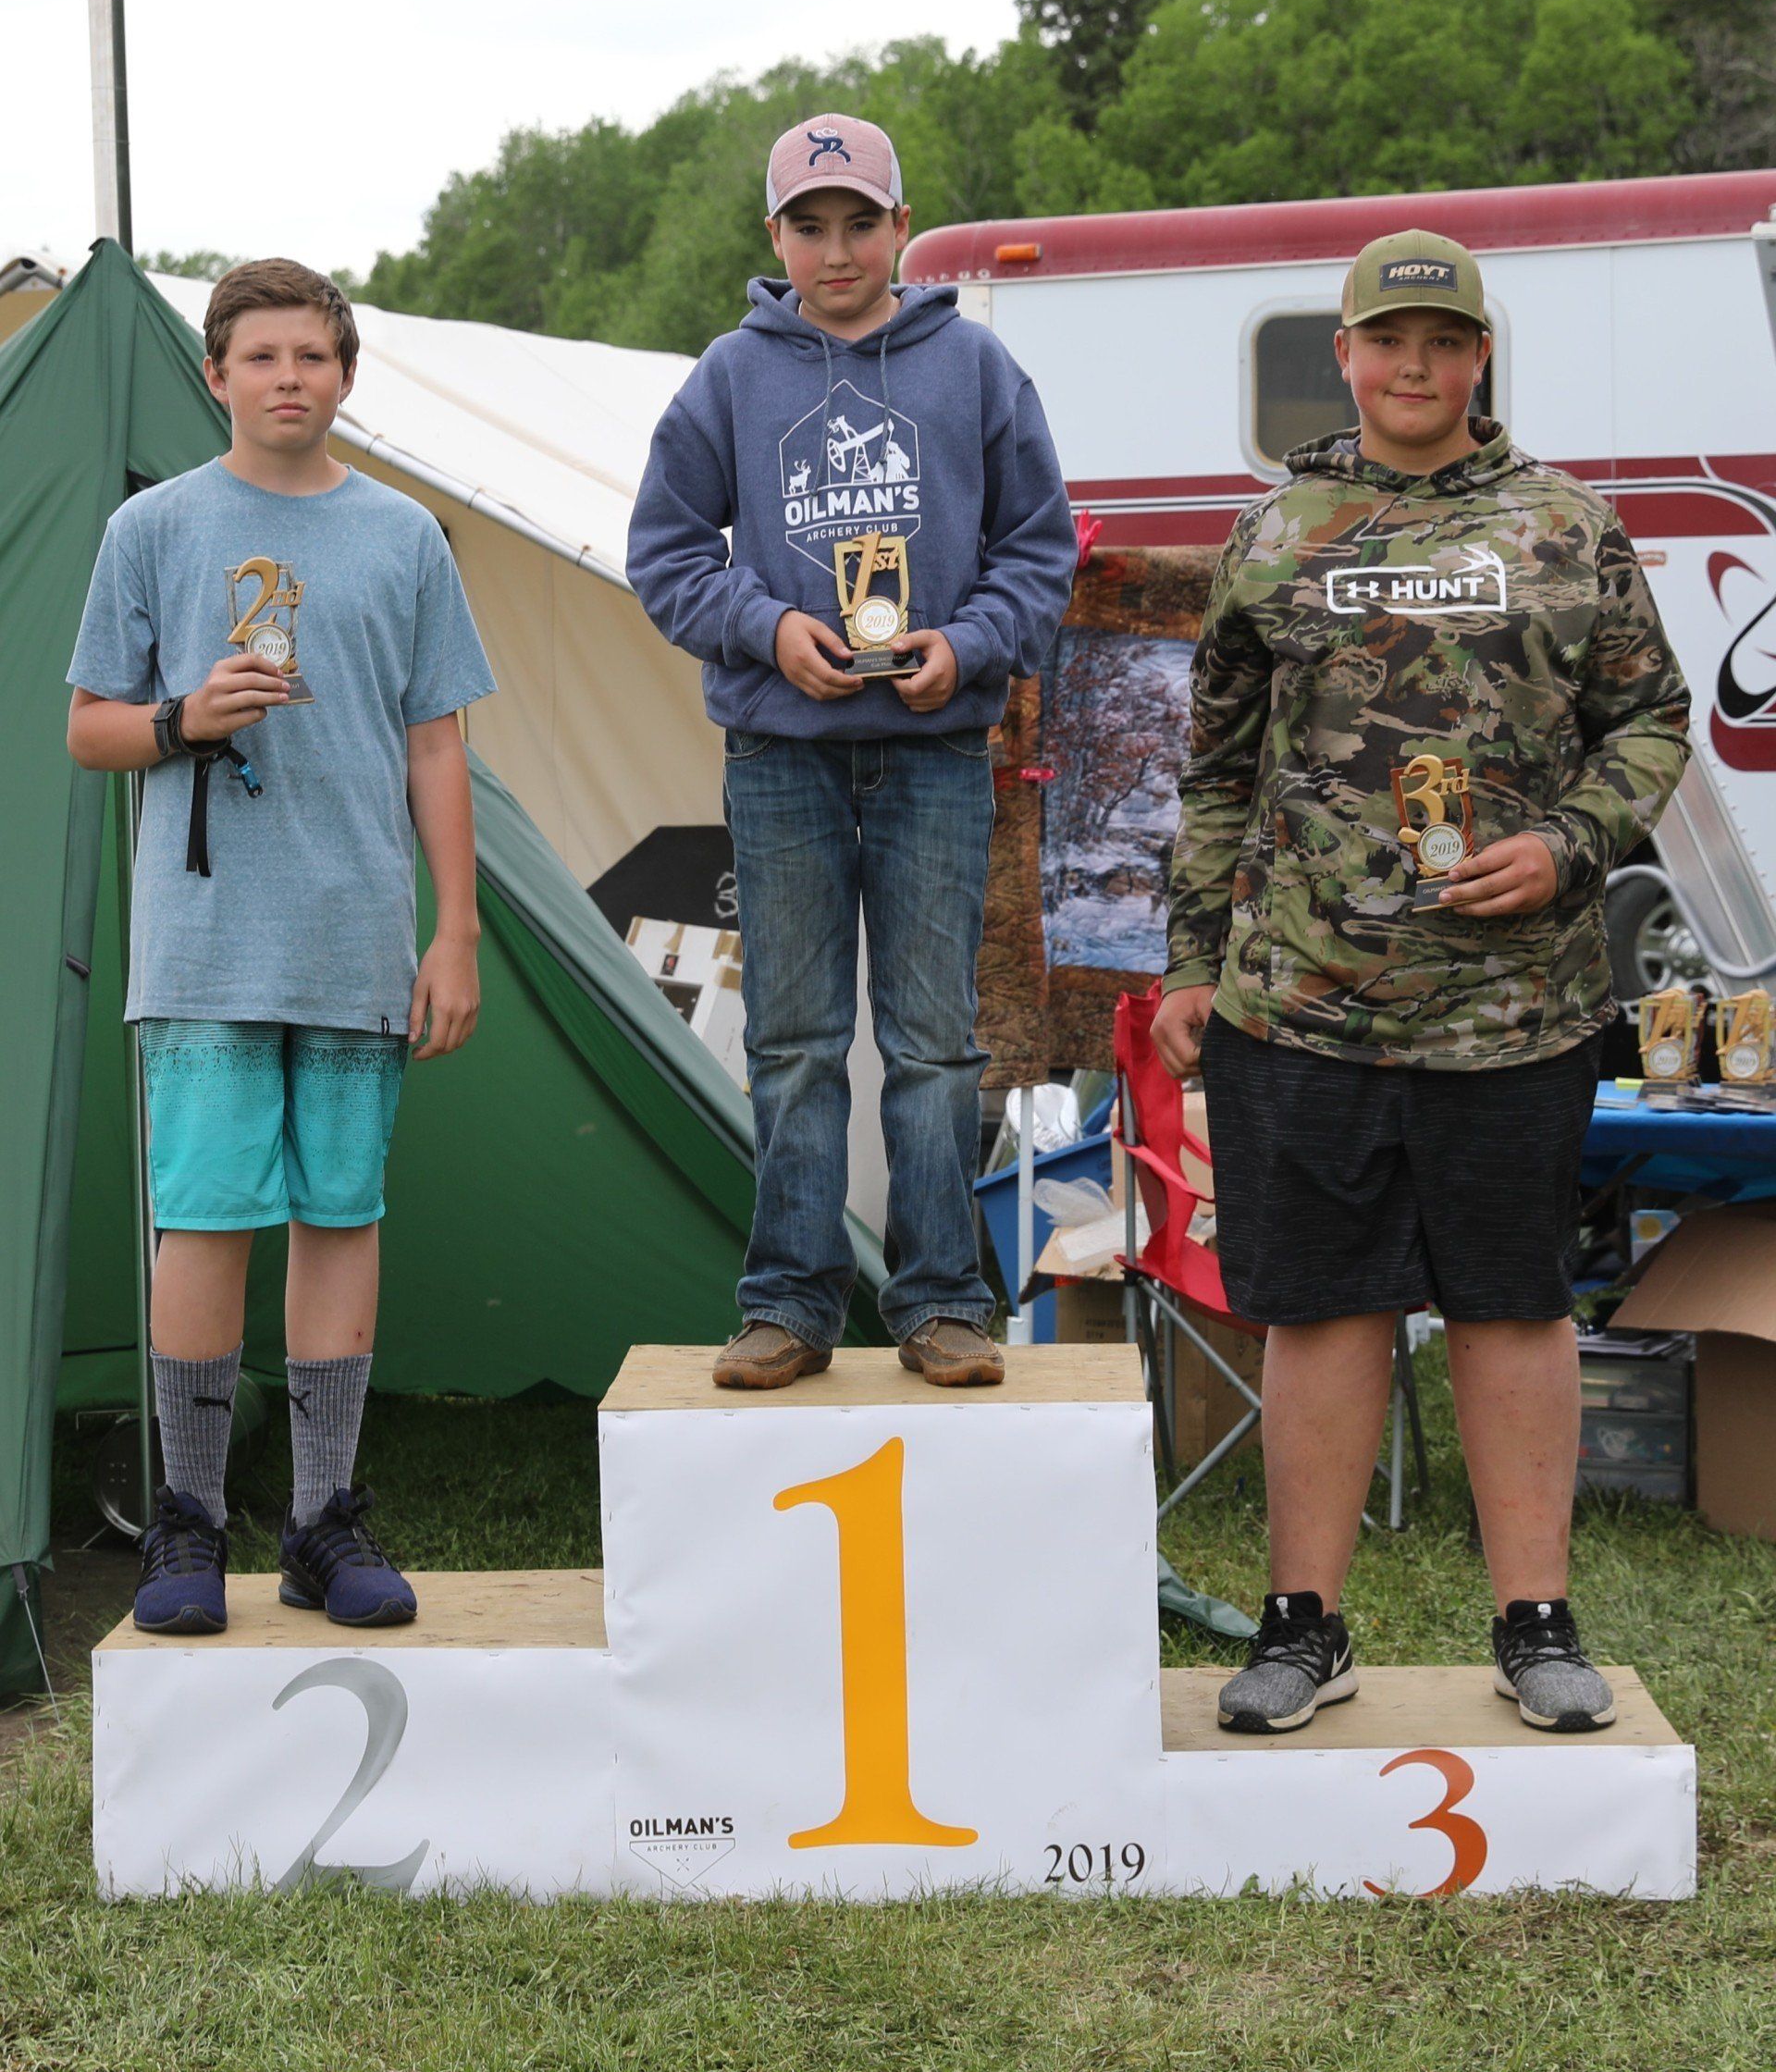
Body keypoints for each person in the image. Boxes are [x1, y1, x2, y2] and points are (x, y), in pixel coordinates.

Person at [1153, 228, 1690, 1733]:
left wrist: (1571, 845)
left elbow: (1653, 722)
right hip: (1303, 1003)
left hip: (1514, 1006)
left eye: (1441, 345)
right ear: (1345, 354)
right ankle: (1303, 1629)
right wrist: (1196, 959)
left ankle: (1535, 1624)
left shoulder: (1571, 527)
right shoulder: (1274, 536)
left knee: (1513, 1304)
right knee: (1322, 1313)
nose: (1413, 366)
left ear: (1477, 362)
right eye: (1387, 341)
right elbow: (1211, 773)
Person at [68, 259, 494, 1633]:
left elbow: (438, 744)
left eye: (313, 355)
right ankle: (186, 1529)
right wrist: (186, 717)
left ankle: (321, 1525)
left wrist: (458, 930)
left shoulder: (407, 537)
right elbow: (90, 730)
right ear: (218, 376)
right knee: (202, 1222)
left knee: (341, 1216)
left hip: (357, 937)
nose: (289, 378)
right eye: (261, 357)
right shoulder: (154, 530)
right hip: (201, 948)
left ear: (348, 374)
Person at [628, 114, 1077, 1388]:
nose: (837, 249)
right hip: (782, 760)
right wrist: (767, 629)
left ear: (899, 227)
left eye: (860, 222)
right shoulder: (729, 374)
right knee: (794, 1038)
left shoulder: (974, 370)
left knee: (936, 1041)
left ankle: (940, 1303)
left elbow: (1042, 549)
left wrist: (971, 645)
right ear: (775, 236)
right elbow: (662, 555)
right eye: (809, 225)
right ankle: (788, 1302)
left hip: (936, 754)